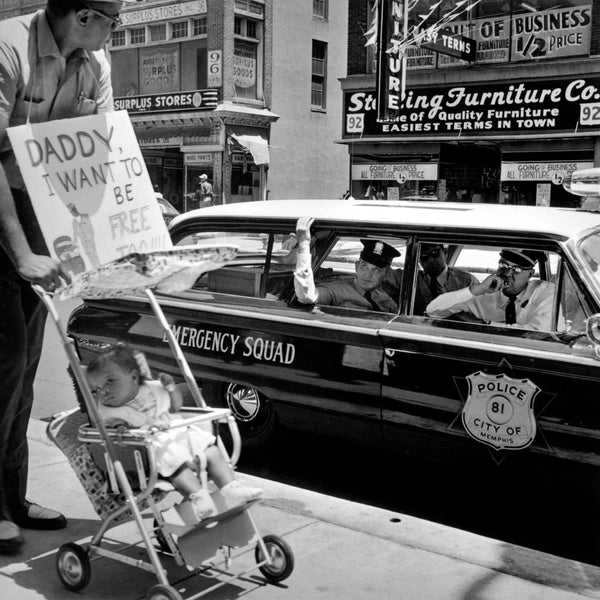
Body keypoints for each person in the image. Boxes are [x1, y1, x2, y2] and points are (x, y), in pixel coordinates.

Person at [0, 0, 122, 552]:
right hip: (3, 209)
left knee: (24, 366)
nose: (115, 30)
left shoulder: (95, 62)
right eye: (112, 19)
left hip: (36, 210)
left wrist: (111, 240)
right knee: (3, 361)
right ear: (83, 15)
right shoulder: (8, 49)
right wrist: (22, 252)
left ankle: (11, 499)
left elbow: (96, 152)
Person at [85, 343, 263, 520]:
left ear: (133, 377)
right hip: (155, 450)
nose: (104, 391)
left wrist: (172, 389)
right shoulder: (109, 411)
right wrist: (122, 430)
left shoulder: (153, 389)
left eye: (110, 381)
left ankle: (231, 489)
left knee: (212, 451)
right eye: (97, 389)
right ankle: (199, 498)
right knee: (176, 464)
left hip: (180, 435)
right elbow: (112, 432)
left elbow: (176, 407)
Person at [426, 249, 555, 331]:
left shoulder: (544, 291)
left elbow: (539, 334)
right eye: (503, 265)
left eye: (516, 269)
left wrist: (483, 324)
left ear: (530, 274)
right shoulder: (485, 291)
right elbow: (433, 310)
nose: (507, 273)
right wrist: (478, 289)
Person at [293, 216, 399, 312]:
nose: (368, 274)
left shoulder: (384, 298)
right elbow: (307, 296)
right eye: (364, 266)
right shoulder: (336, 290)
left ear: (386, 274)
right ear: (356, 266)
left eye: (377, 270)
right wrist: (304, 245)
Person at [385, 243, 477, 316]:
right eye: (424, 257)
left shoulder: (466, 281)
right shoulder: (411, 279)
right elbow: (381, 272)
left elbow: (482, 314)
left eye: (435, 253)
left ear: (445, 252)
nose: (431, 260)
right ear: (418, 260)